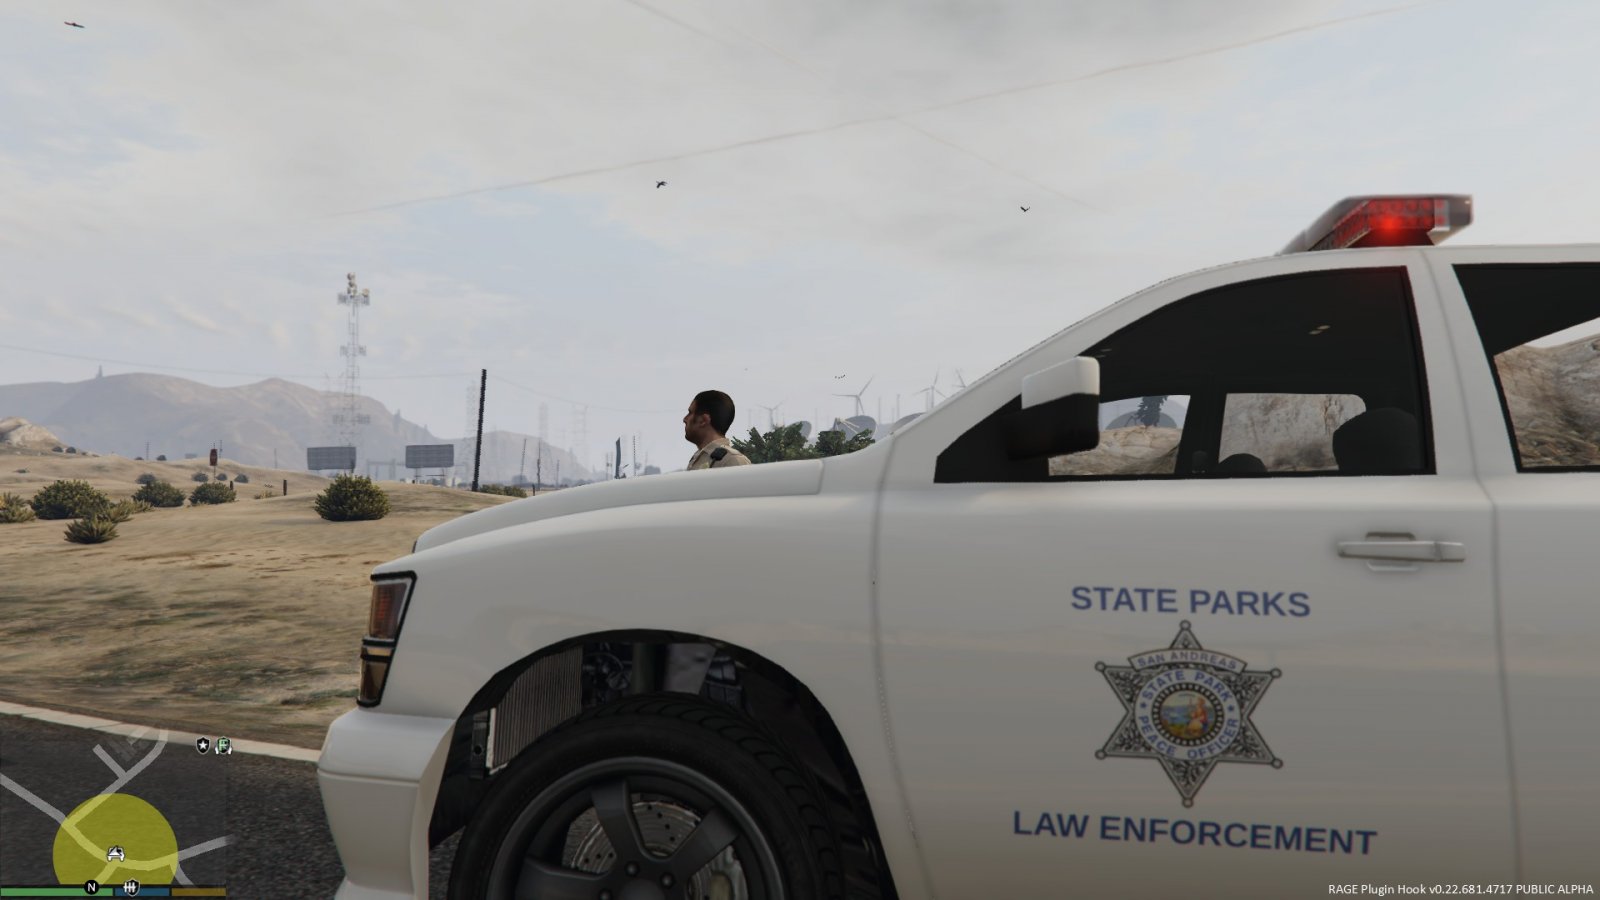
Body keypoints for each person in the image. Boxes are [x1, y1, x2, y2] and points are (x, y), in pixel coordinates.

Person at [683, 389, 751, 470]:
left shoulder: (733, 460)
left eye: (690, 413)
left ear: (703, 420)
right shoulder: (699, 457)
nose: (685, 419)